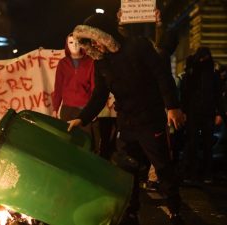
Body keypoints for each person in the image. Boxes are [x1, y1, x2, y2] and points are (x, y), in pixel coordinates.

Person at [67, 13, 186, 225]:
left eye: (96, 39)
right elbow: (99, 94)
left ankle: (175, 211)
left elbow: (161, 74)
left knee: (162, 167)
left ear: (106, 35)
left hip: (150, 120)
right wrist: (82, 119)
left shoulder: (138, 46)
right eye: (90, 42)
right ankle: (130, 213)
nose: (95, 45)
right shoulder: (101, 63)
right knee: (126, 169)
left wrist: (172, 107)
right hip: (127, 123)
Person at [180, 47, 225, 184]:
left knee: (206, 144)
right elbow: (185, 94)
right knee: (193, 143)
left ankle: (205, 173)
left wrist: (219, 113)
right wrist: (184, 111)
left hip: (206, 112)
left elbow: (217, 95)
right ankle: (194, 173)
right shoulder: (193, 73)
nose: (203, 60)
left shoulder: (212, 74)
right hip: (195, 112)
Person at [52, 33, 96, 153]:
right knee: (67, 142)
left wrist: (93, 110)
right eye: (71, 42)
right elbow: (58, 87)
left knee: (86, 143)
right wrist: (55, 108)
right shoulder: (63, 63)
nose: (74, 45)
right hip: (67, 110)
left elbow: (94, 87)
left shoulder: (90, 62)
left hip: (84, 109)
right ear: (66, 45)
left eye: (77, 42)